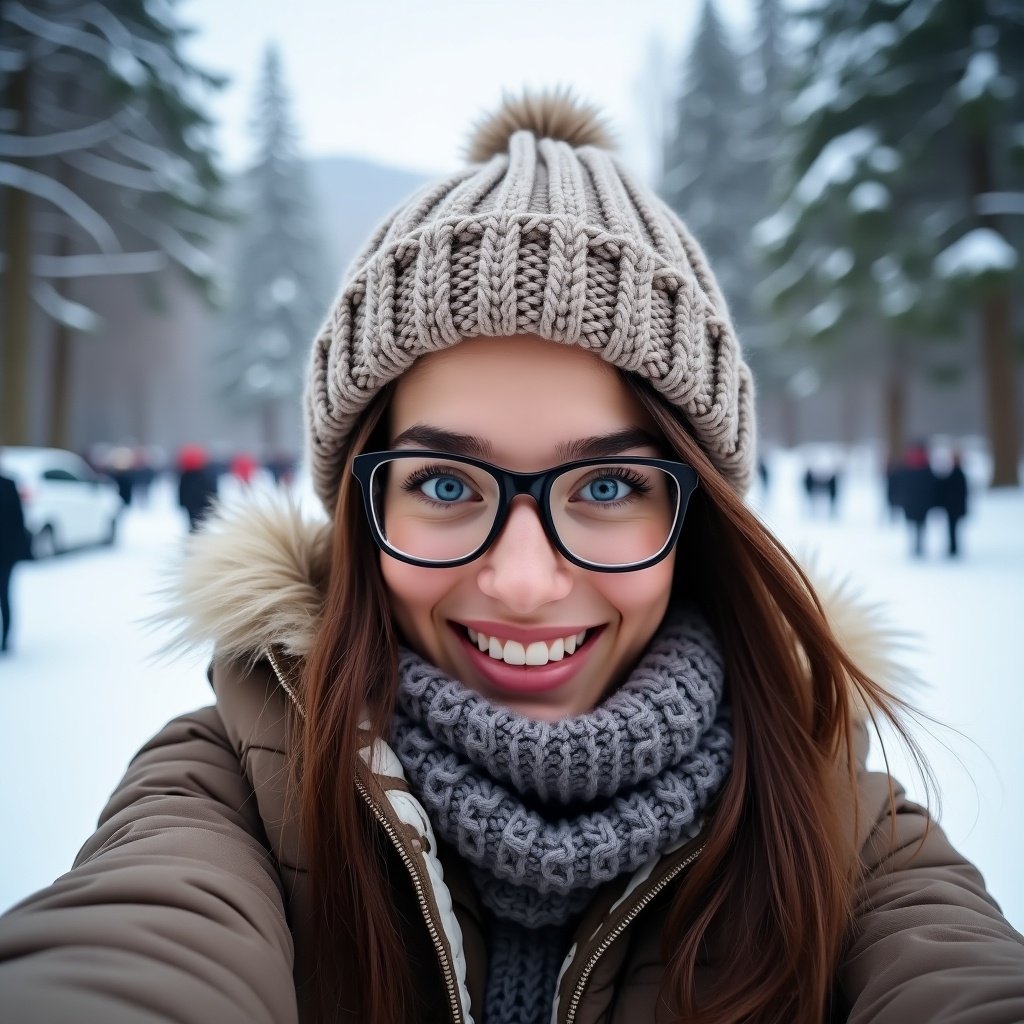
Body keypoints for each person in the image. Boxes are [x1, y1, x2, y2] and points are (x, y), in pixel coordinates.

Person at [0, 92, 1021, 1024]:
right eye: (444, 486)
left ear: (697, 513)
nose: (525, 583)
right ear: (363, 508)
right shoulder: (231, 788)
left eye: (610, 487)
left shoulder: (847, 833)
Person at [0, 456, 31, 654]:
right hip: (7, 552)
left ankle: (6, 641)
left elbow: (18, 522)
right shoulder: (9, 485)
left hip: (5, 553)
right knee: (5, 595)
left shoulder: (9, 485)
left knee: (4, 595)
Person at [898, 441, 938, 557]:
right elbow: (932, 484)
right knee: (921, 525)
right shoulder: (926, 465)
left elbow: (902, 483)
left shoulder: (908, 464)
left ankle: (916, 547)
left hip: (911, 501)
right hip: (923, 502)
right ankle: (919, 546)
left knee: (914, 525)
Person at [176, 443, 219, 533]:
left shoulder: (185, 475)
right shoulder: (205, 473)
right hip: (201, 504)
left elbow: (181, 490)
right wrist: (214, 502)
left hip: (191, 504)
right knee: (201, 523)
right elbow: (211, 489)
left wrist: (181, 502)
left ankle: (194, 537)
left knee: (192, 522)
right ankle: (198, 538)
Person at [936, 450, 969, 557]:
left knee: (952, 529)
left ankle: (953, 549)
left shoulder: (956, 474)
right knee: (953, 529)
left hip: (953, 508)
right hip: (954, 508)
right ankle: (953, 548)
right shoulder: (958, 474)